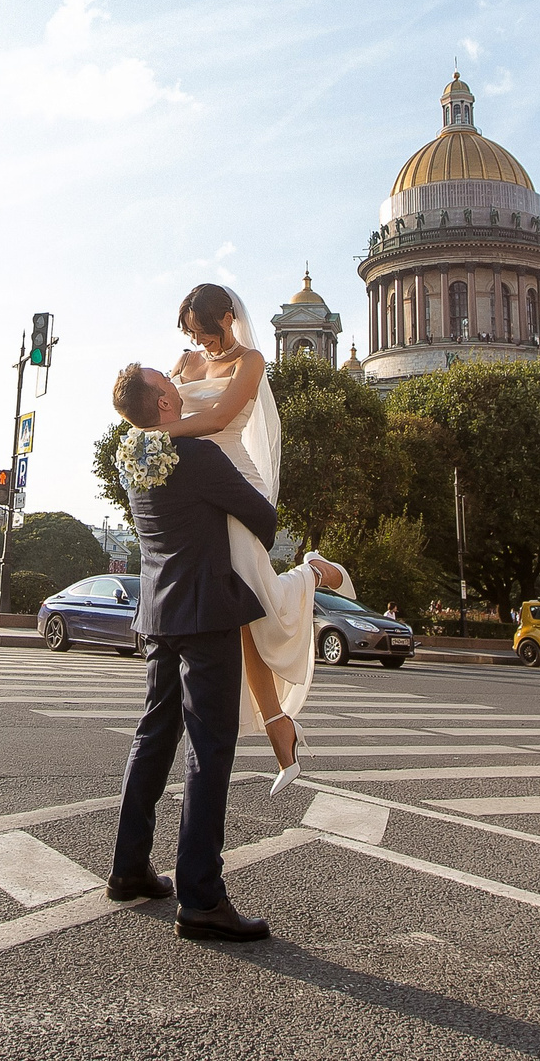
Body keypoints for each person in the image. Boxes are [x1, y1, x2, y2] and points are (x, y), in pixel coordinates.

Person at [105, 358, 282, 942]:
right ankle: (201, 896)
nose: (177, 384)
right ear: (161, 404)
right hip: (206, 614)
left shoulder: (136, 464)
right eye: (168, 382)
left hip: (157, 613)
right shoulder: (196, 456)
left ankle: (129, 868)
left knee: (153, 736)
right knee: (210, 750)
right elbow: (262, 515)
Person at [162, 283, 346, 793]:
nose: (201, 344)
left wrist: (157, 440)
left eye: (205, 332)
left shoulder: (252, 361)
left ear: (227, 318)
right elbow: (167, 410)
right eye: (191, 335)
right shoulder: (186, 361)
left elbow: (220, 419)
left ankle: (312, 571)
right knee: (242, 618)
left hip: (237, 484)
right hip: (196, 488)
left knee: (254, 605)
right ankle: (278, 729)